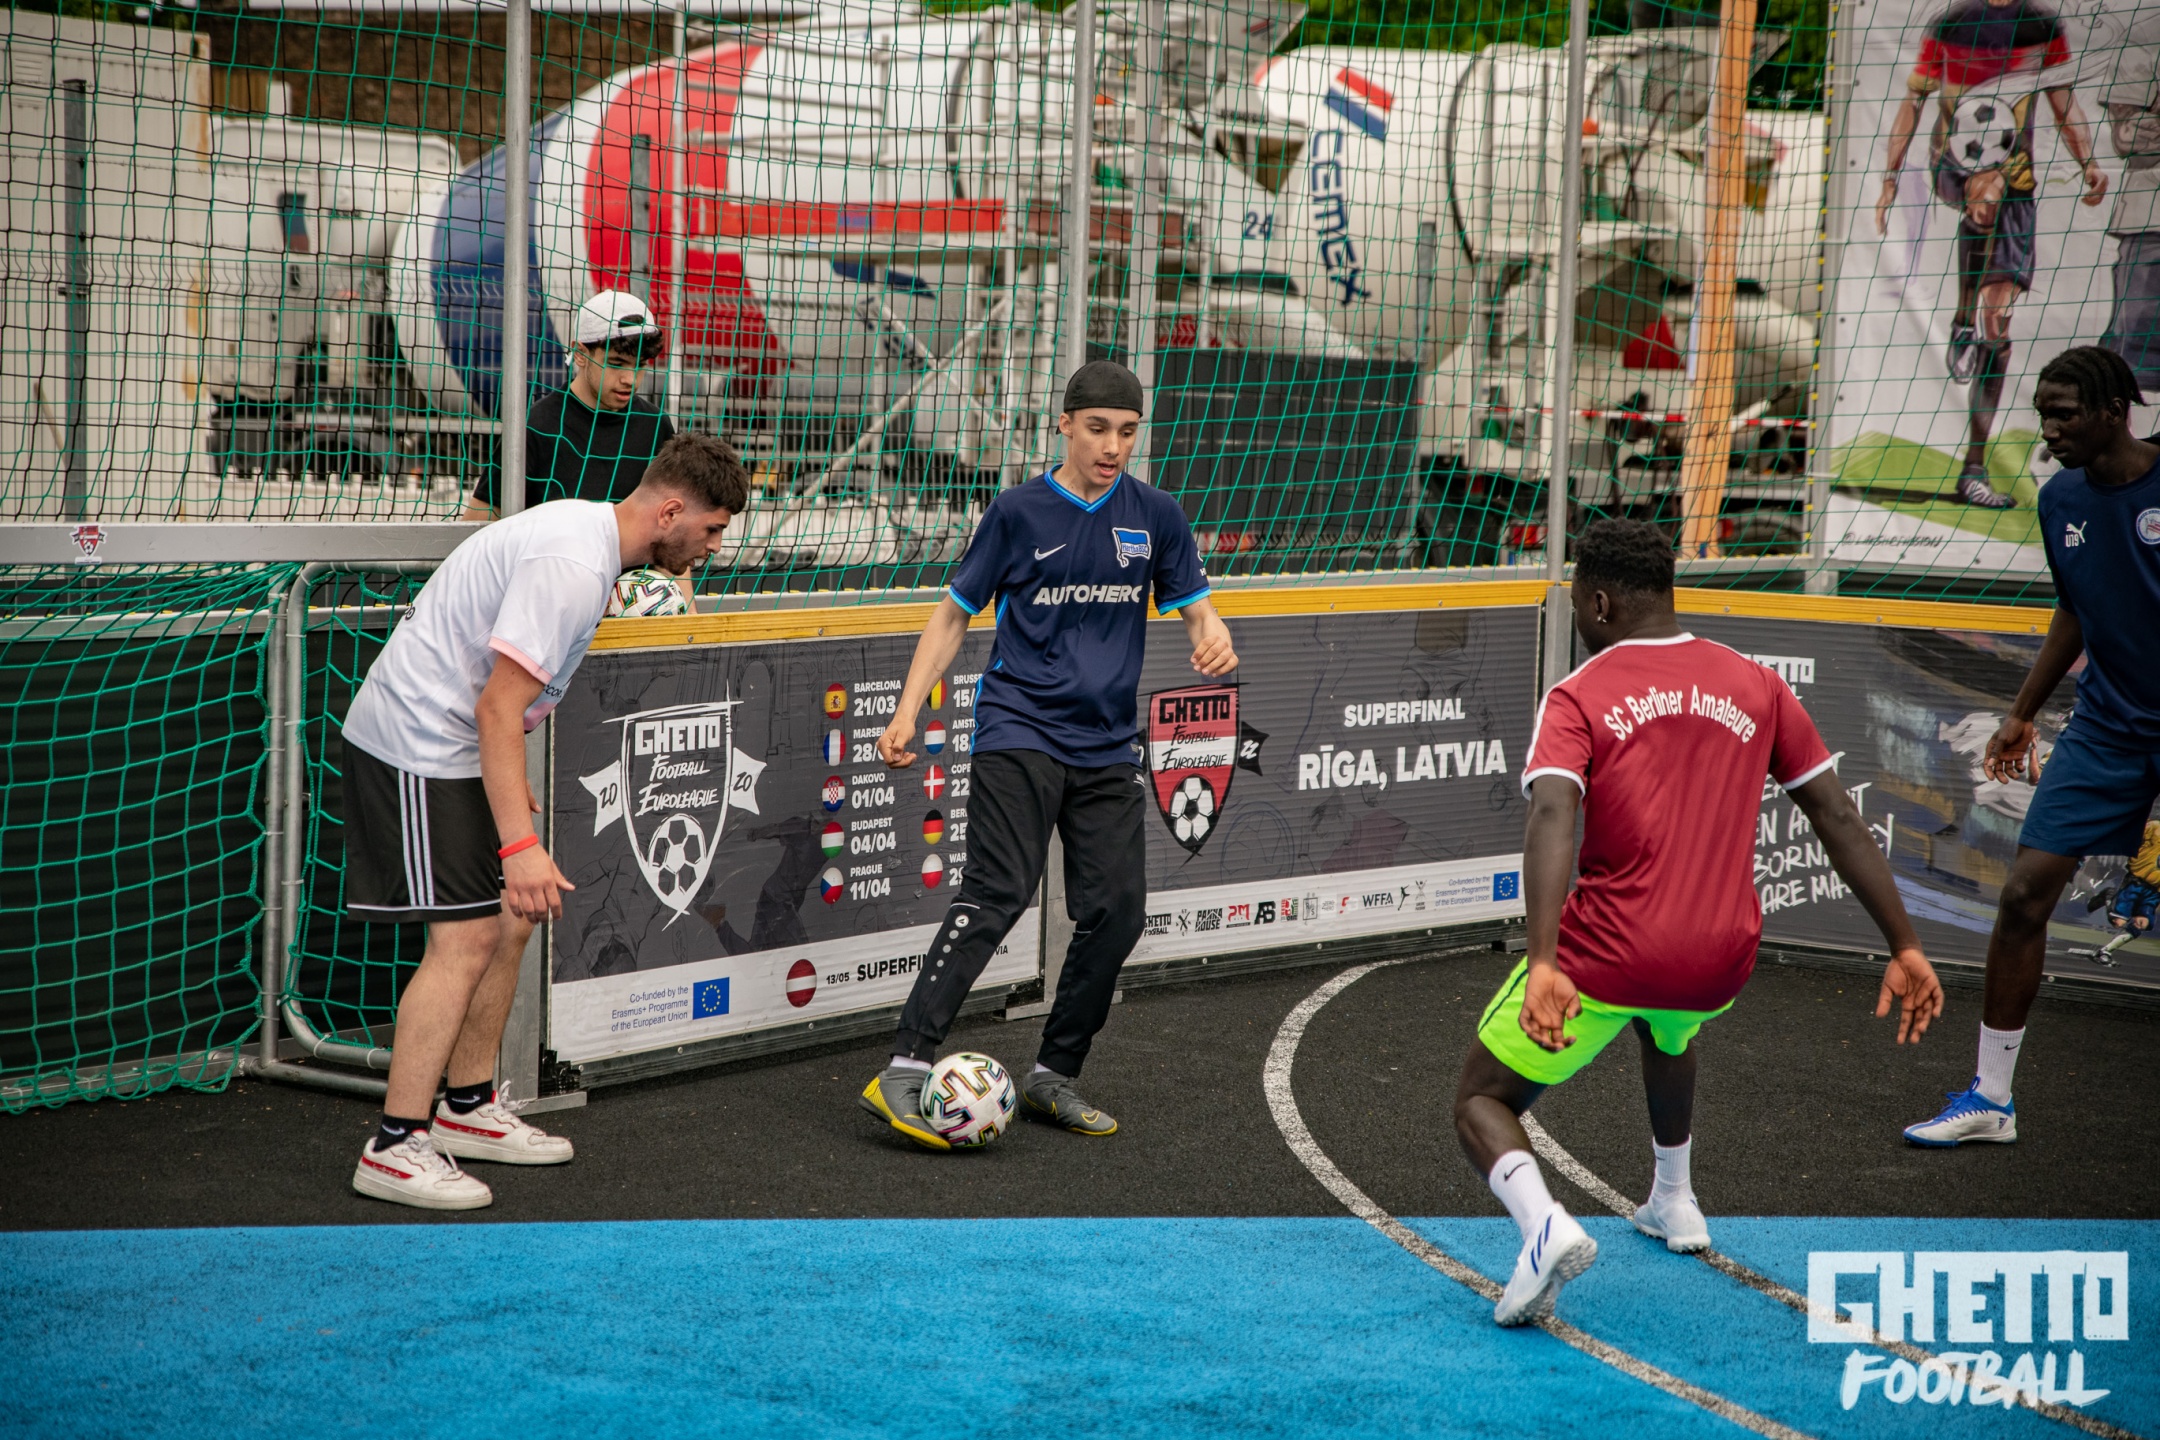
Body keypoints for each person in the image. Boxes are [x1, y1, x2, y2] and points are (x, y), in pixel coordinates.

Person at [1455, 518, 1944, 1326]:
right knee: (1669, 1027)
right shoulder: (1758, 684)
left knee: (1481, 1096)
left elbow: (1552, 813)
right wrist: (1906, 943)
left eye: (1577, 604)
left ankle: (1543, 1229)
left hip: (1612, 951)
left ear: (1599, 603)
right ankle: (1674, 1199)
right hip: (1720, 958)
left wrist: (1543, 960)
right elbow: (1836, 815)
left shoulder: (1579, 693)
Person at [343, 434, 749, 1209]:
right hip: (415, 742)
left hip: (457, 745)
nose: (713, 546)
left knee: (510, 920)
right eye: (712, 528)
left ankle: (466, 1108)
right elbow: (496, 707)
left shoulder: (595, 547)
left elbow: (505, 707)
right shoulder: (573, 563)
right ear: (671, 511)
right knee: (466, 938)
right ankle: (393, 1146)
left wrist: (507, 800)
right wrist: (521, 846)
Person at [856, 361, 1236, 1148]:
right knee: (997, 893)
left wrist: (1213, 634)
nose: (1112, 446)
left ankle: (1052, 1075)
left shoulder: (1157, 515)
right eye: (1097, 429)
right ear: (1064, 425)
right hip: (1018, 729)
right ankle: (905, 1065)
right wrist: (906, 712)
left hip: (1105, 745)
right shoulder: (1017, 511)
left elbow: (1198, 611)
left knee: (1118, 913)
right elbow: (952, 617)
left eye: (1126, 432)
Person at [1905, 346, 2160, 1146]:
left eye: (2065, 414)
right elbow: (2075, 609)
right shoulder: (2060, 500)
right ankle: (1992, 1100)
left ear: (2114, 411)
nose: (2049, 430)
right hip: (2108, 728)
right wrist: (2021, 713)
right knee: (2023, 896)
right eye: (2043, 415)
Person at [1872, 0, 2107, 510]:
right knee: (1986, 192)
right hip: (1956, 164)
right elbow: (1913, 103)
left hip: (2018, 183)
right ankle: (1962, 319)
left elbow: (2063, 101)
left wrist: (2088, 161)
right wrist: (1890, 177)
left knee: (1997, 326)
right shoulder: (1950, 24)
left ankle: (1973, 470)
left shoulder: (2041, 26)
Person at [463, 290, 678, 519]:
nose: (630, 379)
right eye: (616, 363)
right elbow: (476, 525)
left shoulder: (655, 426)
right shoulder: (536, 427)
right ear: (580, 353)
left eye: (640, 365)